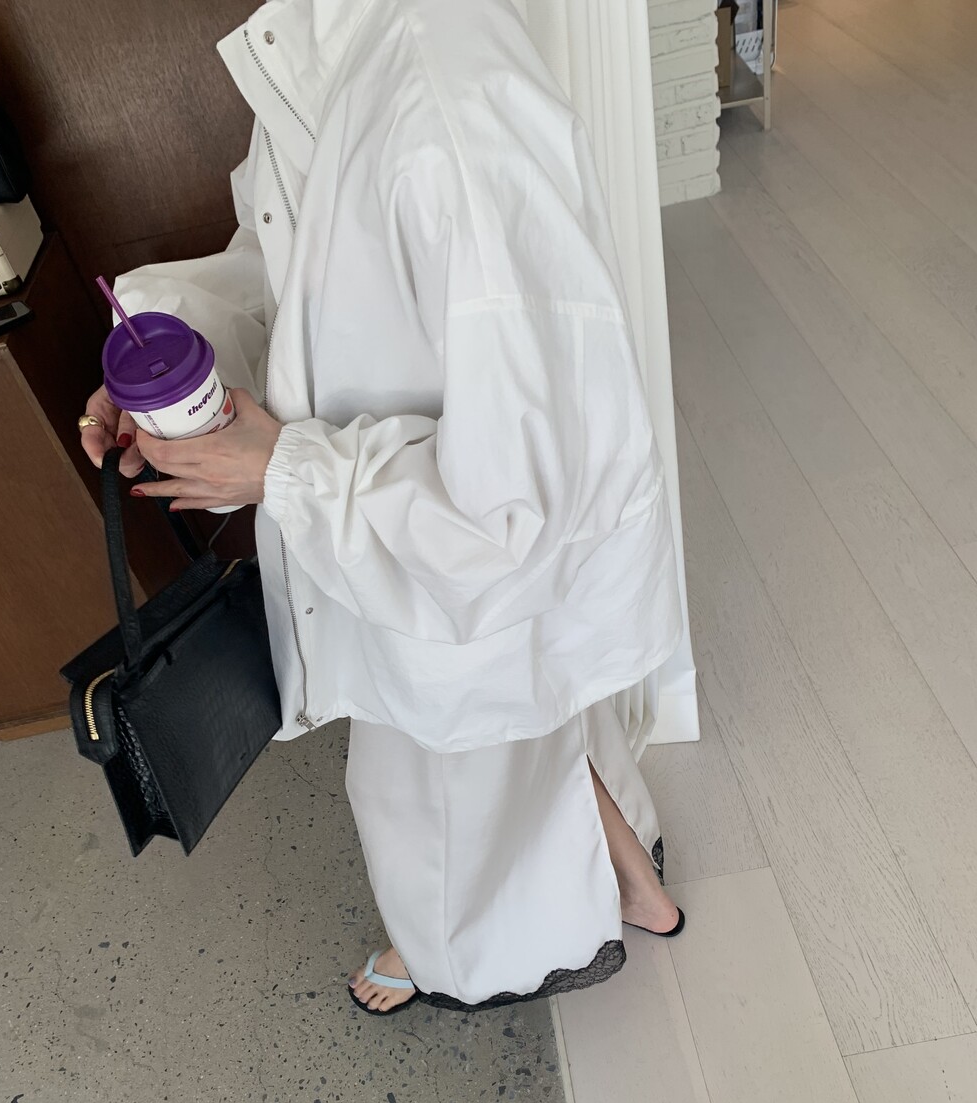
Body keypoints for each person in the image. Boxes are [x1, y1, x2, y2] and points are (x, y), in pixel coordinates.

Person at [80, 0, 686, 1014]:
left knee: (442, 777)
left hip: (435, 547)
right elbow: (280, 260)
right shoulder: (334, 42)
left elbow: (511, 502)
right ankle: (632, 879)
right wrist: (164, 359)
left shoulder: (443, 95)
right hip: (408, 533)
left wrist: (285, 471)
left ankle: (467, 946)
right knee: (505, 727)